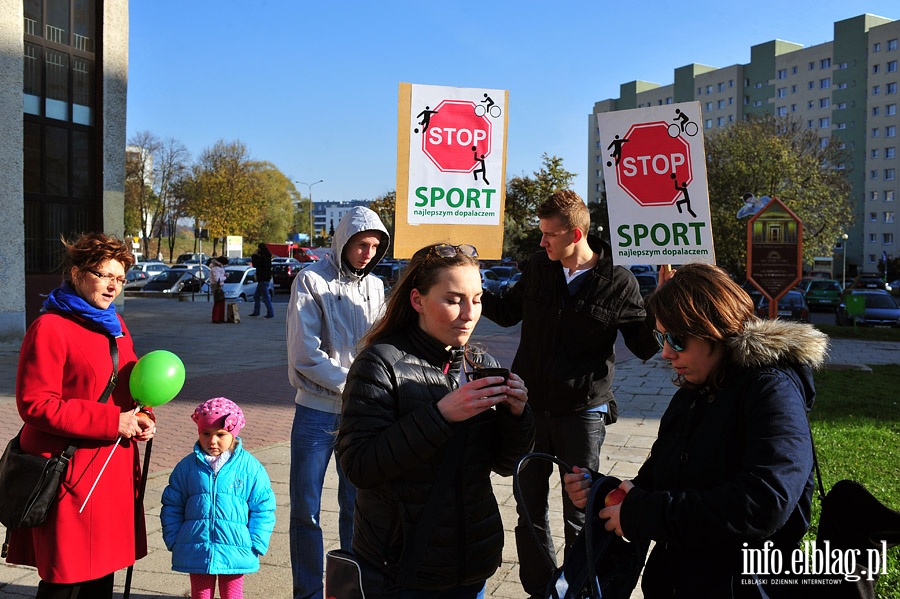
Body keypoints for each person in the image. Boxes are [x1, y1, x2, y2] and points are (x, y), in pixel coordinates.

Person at [563, 263, 827, 598]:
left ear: (714, 329)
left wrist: (645, 513)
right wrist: (604, 491)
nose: (666, 352)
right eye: (661, 337)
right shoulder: (693, 392)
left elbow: (765, 502)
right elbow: (659, 481)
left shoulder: (772, 392)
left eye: (676, 339)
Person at [479, 189, 659, 597]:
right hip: (528, 409)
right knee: (529, 509)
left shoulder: (617, 281)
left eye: (549, 235)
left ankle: (577, 589)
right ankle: (541, 589)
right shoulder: (540, 268)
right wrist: (471, 282)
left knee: (580, 510)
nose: (542, 243)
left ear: (575, 234)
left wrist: (663, 305)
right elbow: (506, 313)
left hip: (582, 412)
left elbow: (646, 346)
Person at [336, 242, 536, 598]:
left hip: (472, 563)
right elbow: (359, 465)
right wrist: (442, 414)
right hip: (402, 568)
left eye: (476, 299)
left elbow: (505, 464)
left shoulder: (480, 362)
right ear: (417, 300)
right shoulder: (380, 364)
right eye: (453, 300)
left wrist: (517, 415)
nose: (469, 313)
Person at [5, 232, 156, 598]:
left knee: (101, 575)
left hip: (112, 472)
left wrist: (144, 416)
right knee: (66, 580)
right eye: (104, 275)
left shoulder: (116, 327)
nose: (113, 286)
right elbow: (35, 404)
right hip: (69, 474)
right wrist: (111, 422)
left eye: (120, 279)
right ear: (76, 273)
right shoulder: (49, 327)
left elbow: (131, 384)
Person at [285, 206, 389, 599]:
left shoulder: (376, 287)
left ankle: (351, 589)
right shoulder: (310, 279)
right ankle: (308, 592)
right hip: (315, 409)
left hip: (360, 414)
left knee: (358, 505)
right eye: (362, 244)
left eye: (375, 246)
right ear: (343, 240)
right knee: (305, 509)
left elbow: (379, 345)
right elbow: (304, 354)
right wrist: (356, 386)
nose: (368, 252)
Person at [161, 397, 276, 599]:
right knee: (201, 595)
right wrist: (174, 538)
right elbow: (172, 504)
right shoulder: (187, 467)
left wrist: (257, 541)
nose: (212, 441)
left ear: (233, 435)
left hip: (237, 547)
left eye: (220, 434)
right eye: (206, 434)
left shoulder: (250, 468)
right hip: (197, 546)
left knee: (232, 595)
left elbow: (263, 506)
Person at [250, 243, 274, 318]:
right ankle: (256, 311)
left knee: (265, 296)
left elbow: (255, 264)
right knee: (257, 296)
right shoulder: (267, 256)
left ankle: (270, 313)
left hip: (262, 279)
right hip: (265, 278)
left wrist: (254, 255)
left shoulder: (263, 257)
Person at [210, 256, 228, 323]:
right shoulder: (215, 268)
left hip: (219, 285)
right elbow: (217, 279)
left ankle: (220, 318)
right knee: (218, 302)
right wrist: (225, 277)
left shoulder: (218, 267)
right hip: (217, 286)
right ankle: (216, 318)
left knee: (220, 301)